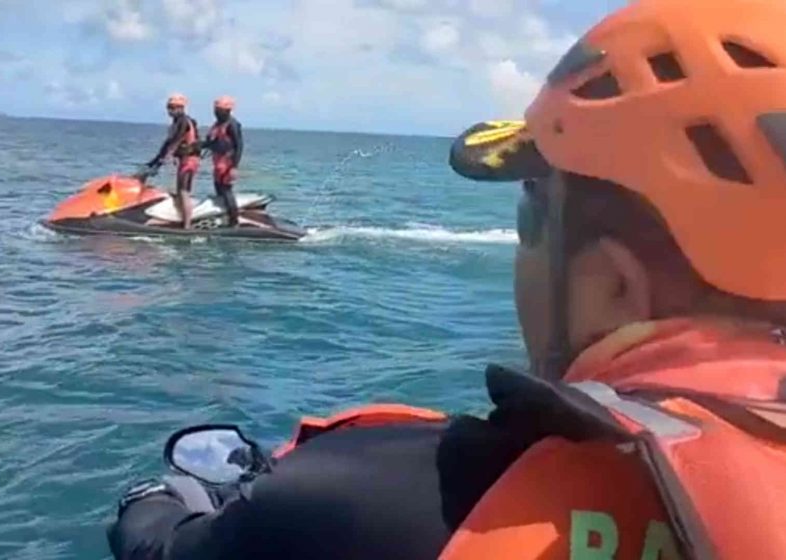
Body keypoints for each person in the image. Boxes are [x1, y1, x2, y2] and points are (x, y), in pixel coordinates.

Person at [108, 0, 786, 558]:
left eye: (531, 222)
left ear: (612, 286)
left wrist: (156, 499)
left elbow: (168, 548)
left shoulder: (391, 504)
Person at [145, 93, 201, 229]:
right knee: (179, 191)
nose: (170, 111)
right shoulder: (182, 121)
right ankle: (180, 218)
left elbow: (174, 142)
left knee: (183, 192)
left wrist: (161, 160)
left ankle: (187, 226)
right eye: (169, 107)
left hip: (189, 161)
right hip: (187, 160)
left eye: (173, 108)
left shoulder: (182, 122)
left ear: (181, 108)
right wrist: (155, 161)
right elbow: (169, 143)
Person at [202, 95, 243, 227]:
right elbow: (211, 142)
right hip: (217, 162)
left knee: (226, 190)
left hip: (227, 163)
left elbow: (239, 145)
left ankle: (234, 221)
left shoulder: (232, 124)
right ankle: (223, 216)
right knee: (218, 189)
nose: (216, 112)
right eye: (216, 109)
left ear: (227, 110)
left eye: (219, 110)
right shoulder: (217, 125)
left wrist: (234, 166)